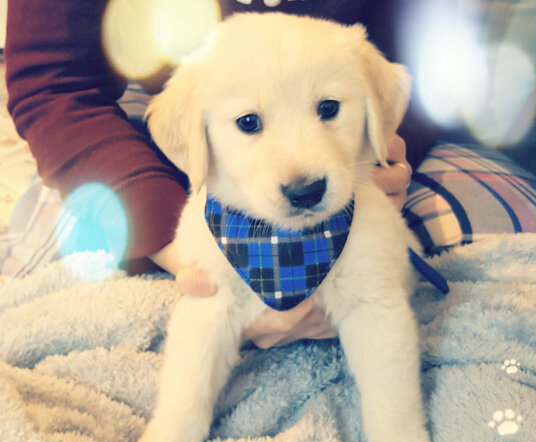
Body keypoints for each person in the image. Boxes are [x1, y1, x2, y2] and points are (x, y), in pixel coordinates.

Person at [4, 0, 437, 347]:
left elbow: (443, 62)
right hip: (173, 131)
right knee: (62, 276)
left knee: (471, 239)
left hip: (369, 129)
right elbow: (53, 82)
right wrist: (183, 251)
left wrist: (387, 147)